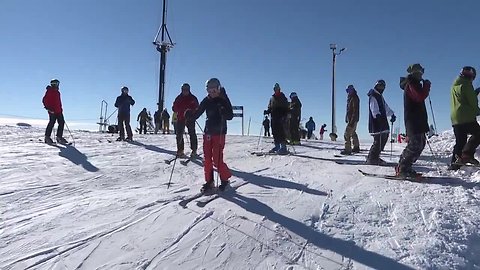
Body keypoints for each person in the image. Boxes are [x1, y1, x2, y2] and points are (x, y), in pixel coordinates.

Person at [191, 78, 233, 193]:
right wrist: (191, 116)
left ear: (218, 88)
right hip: (208, 132)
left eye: (214, 90)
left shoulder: (223, 99)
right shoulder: (206, 100)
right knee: (207, 159)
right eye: (209, 90)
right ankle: (209, 181)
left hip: (219, 132)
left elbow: (230, 115)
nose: (212, 92)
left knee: (217, 159)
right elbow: (198, 112)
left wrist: (225, 112)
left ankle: (225, 180)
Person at [396, 64, 431, 177]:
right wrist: (426, 86)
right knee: (414, 145)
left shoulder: (415, 84)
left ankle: (406, 166)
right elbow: (419, 97)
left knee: (420, 144)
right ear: (413, 72)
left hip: (418, 120)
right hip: (413, 121)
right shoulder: (411, 84)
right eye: (419, 71)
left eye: (422, 71)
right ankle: (402, 167)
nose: (421, 74)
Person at [449, 66, 480, 169]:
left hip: (455, 118)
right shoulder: (467, 85)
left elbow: (463, 97)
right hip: (466, 116)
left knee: (460, 141)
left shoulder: (455, 85)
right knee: (478, 133)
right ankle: (467, 154)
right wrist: (477, 111)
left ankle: (454, 164)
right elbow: (472, 102)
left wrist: (475, 92)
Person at [366, 79, 396, 165]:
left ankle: (375, 157)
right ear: (376, 86)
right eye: (379, 86)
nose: (381, 88)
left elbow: (385, 107)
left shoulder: (380, 96)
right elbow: (374, 108)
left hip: (382, 121)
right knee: (378, 140)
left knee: (384, 137)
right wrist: (377, 117)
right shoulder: (373, 96)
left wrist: (392, 114)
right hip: (376, 122)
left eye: (383, 87)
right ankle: (372, 158)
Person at [172, 83, 199, 157]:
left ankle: (194, 150)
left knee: (192, 133)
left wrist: (192, 112)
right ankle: (180, 150)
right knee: (179, 134)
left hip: (190, 119)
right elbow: (174, 108)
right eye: (184, 90)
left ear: (189, 90)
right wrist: (176, 109)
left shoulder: (193, 98)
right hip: (180, 118)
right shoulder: (178, 98)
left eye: (186, 90)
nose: (185, 91)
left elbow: (197, 107)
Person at [264, 83, 289, 154]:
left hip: (280, 117)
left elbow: (286, 107)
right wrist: (267, 111)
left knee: (280, 131)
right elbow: (270, 107)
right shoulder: (272, 98)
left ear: (279, 89)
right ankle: (277, 146)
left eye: (277, 89)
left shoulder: (283, 97)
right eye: (274, 89)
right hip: (273, 116)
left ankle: (283, 147)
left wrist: (285, 115)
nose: (276, 90)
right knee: (274, 132)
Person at [42, 79, 68, 144]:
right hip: (52, 111)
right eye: (55, 83)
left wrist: (61, 109)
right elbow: (44, 100)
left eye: (56, 83)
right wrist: (48, 108)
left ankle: (59, 137)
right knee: (52, 123)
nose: (56, 85)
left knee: (61, 123)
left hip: (58, 111)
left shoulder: (57, 92)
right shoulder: (49, 91)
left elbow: (59, 102)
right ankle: (47, 137)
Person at [340, 85, 360, 155]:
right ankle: (356, 147)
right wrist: (346, 118)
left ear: (352, 90)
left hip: (353, 119)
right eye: (347, 91)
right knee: (353, 132)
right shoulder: (350, 98)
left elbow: (355, 110)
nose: (348, 92)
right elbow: (348, 110)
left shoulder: (354, 98)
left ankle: (348, 150)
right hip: (352, 119)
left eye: (349, 91)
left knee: (347, 134)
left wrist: (351, 120)